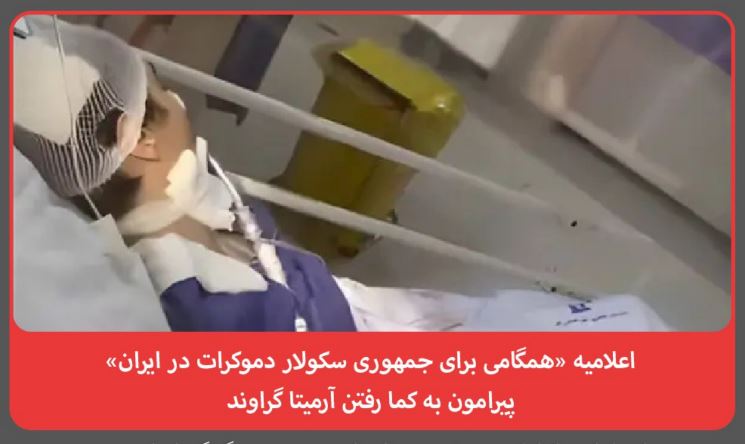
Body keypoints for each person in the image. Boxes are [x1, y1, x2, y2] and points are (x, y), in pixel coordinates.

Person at [14, 16, 673, 332]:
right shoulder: (210, 305)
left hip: (356, 309)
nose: (181, 100)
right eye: (164, 94)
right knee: (633, 335)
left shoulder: (185, 188)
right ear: (139, 143)